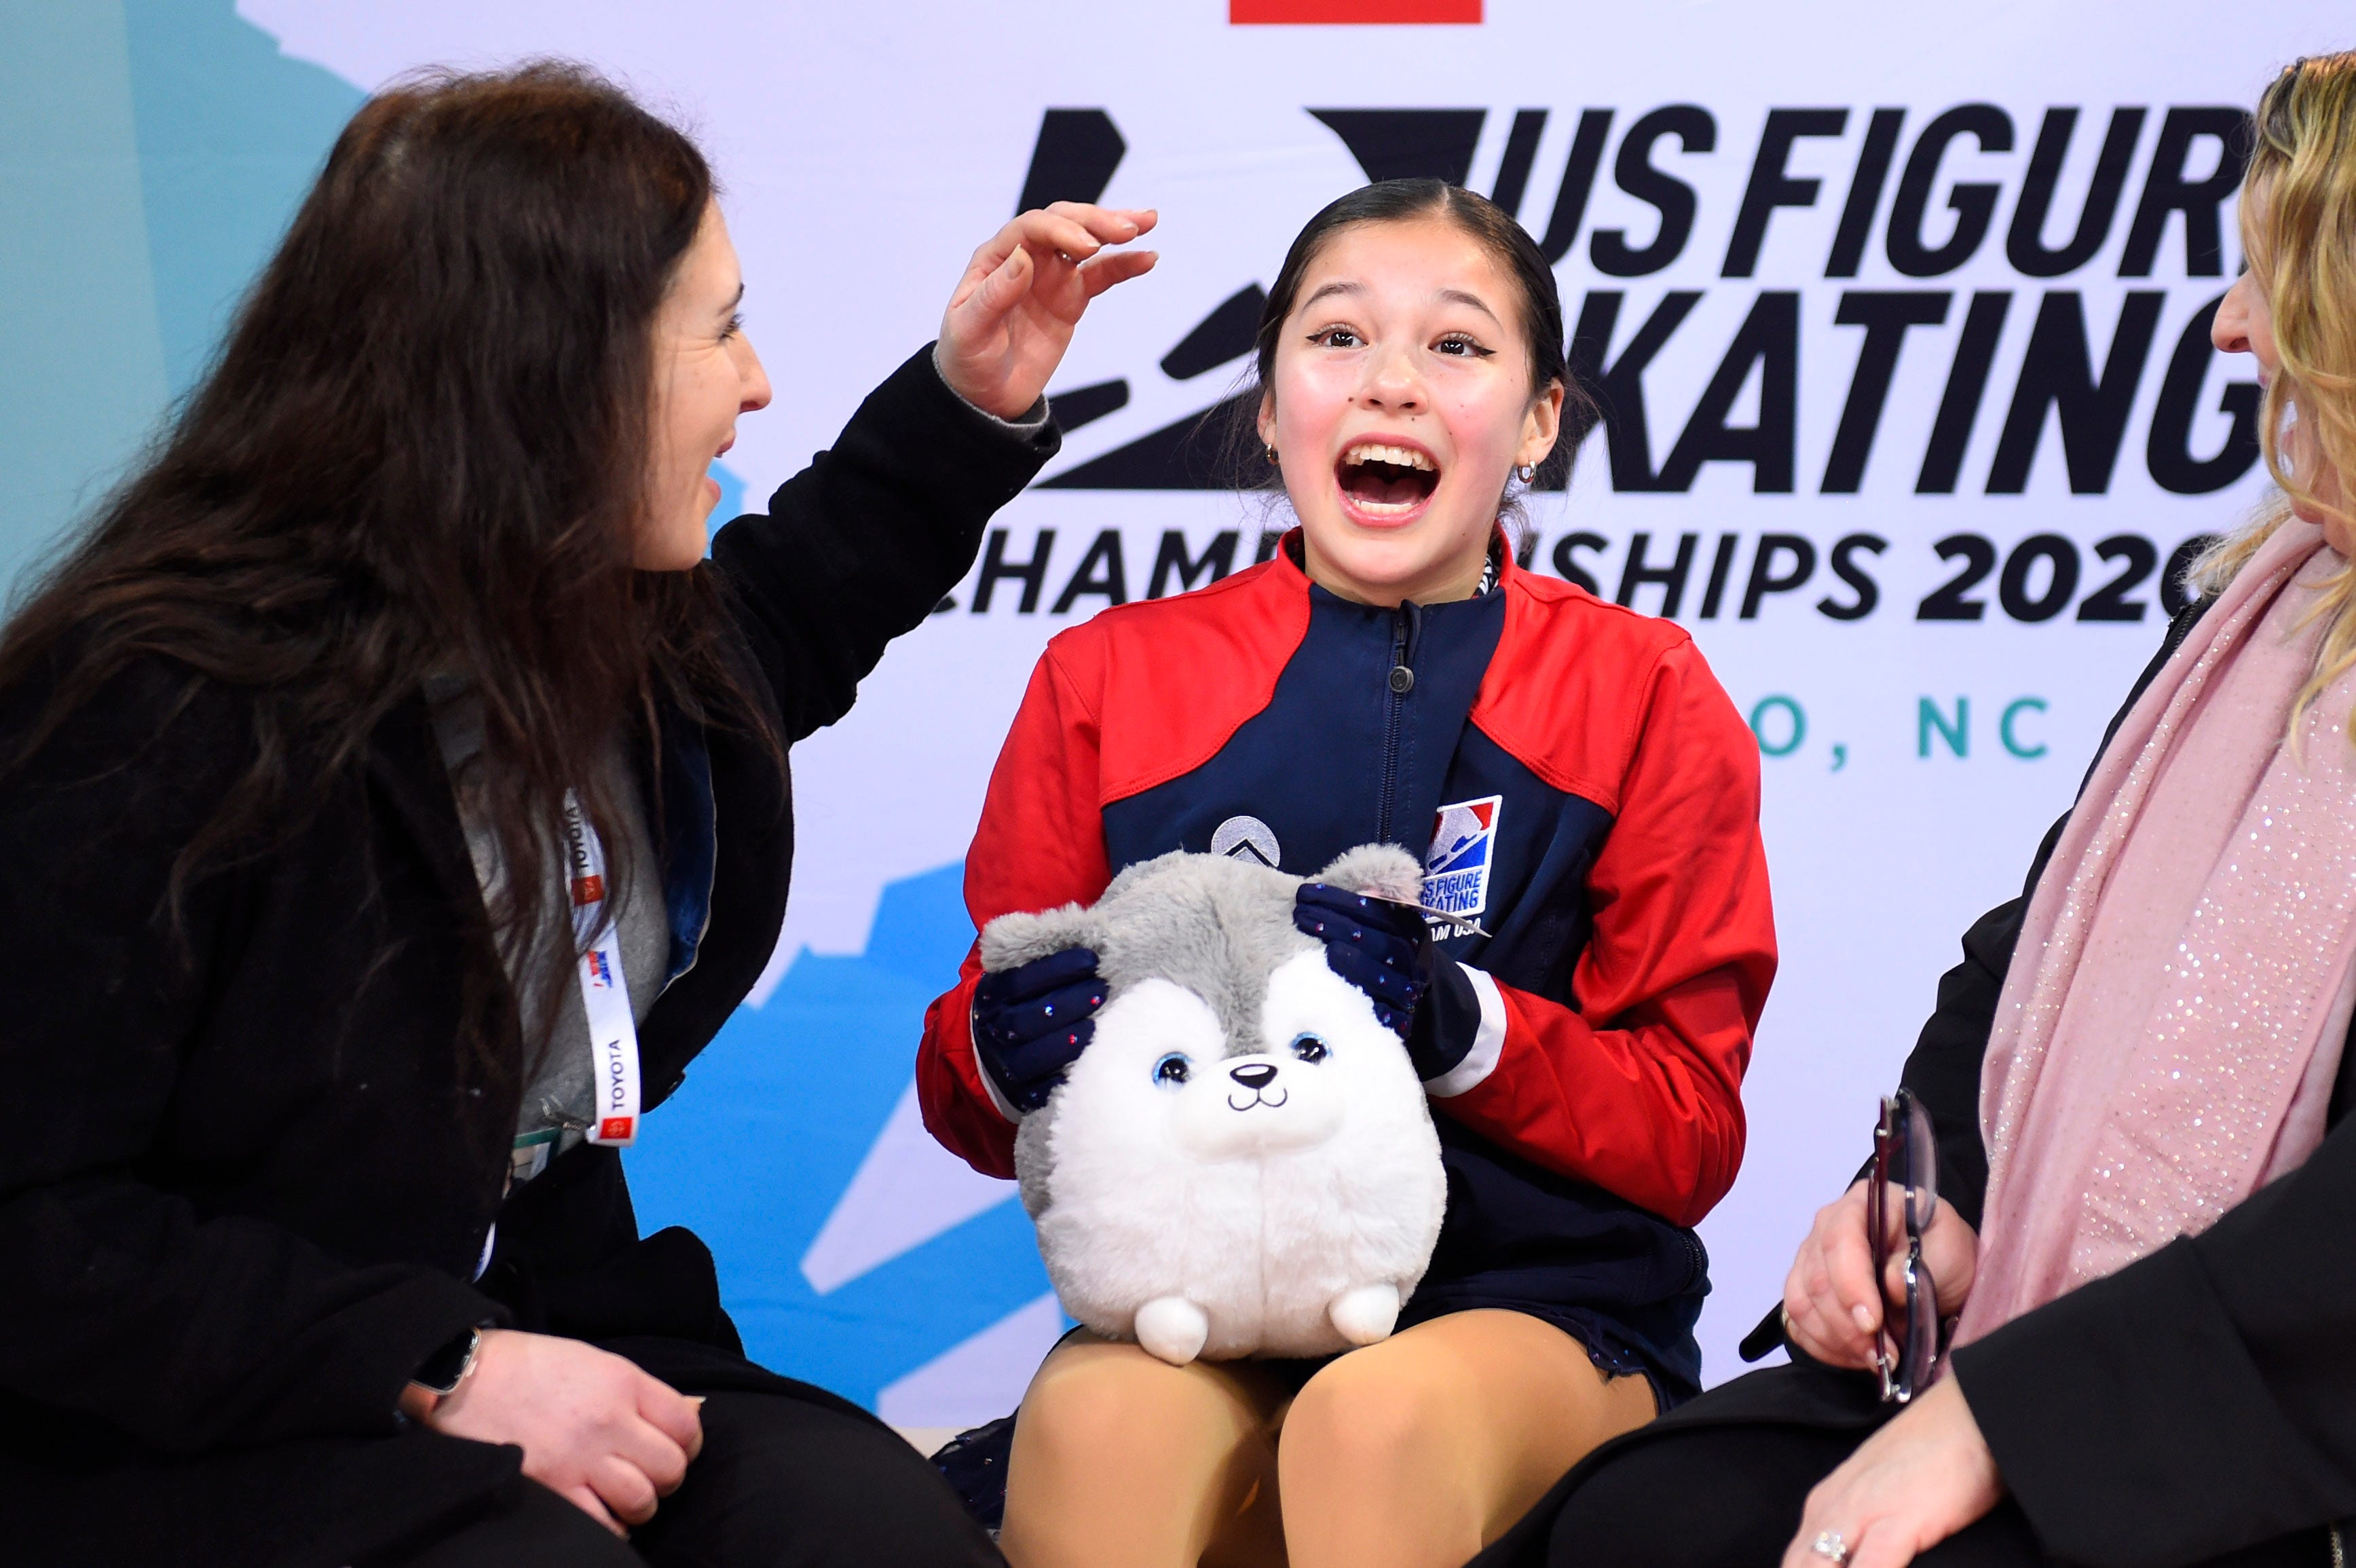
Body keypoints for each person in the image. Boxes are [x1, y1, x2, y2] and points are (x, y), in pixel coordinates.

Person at [0, 64, 1155, 1568]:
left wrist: (963, 403)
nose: (755, 386)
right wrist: (431, 1365)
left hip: (547, 1317)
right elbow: (34, 1227)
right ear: (551, 369)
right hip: (207, 1414)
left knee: (864, 1527)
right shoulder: (145, 708)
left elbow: (786, 620)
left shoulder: (591, 629)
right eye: (721, 328)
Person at [1470, 50, 2356, 1568]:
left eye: (2267, 268)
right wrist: (1913, 1197)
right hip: (2040, 1349)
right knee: (1643, 1523)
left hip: (2259, 1435)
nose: (2223, 323)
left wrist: (2021, 1413)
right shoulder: (2259, 611)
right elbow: (2032, 952)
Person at [915, 178, 1777, 1568]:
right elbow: (967, 1091)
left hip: (1536, 1309)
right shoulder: (1107, 679)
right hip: (1200, 1301)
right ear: (1269, 406)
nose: (1388, 383)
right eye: (1335, 339)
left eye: (1454, 345)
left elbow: (1688, 1130)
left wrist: (1464, 1027)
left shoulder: (1644, 690)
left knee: (1369, 1426)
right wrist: (1000, 1050)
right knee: (1093, 1433)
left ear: (1538, 419)